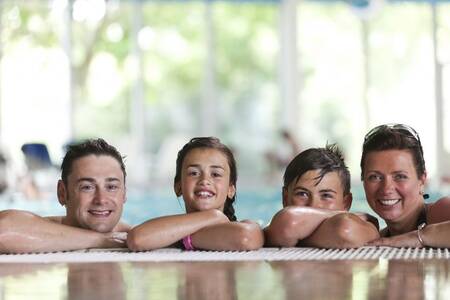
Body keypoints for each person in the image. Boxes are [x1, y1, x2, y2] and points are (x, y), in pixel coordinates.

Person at [127, 137, 264, 251]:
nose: (204, 180)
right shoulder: (164, 225)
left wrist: (180, 239)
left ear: (231, 189)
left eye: (215, 174)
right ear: (178, 187)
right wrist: (212, 216)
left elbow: (246, 237)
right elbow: (137, 239)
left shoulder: (243, 225)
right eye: (194, 173)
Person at [0, 138, 130, 253]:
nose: (101, 199)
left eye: (112, 187)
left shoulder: (134, 236)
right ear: (62, 193)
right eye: (87, 187)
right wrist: (103, 240)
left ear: (124, 193)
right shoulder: (40, 227)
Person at [265, 144, 379, 248]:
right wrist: (339, 214)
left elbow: (345, 230)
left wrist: (299, 236)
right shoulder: (268, 231)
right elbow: (286, 224)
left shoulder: (365, 227)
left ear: (346, 203)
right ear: (285, 198)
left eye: (326, 195)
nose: (313, 205)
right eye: (302, 194)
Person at [361, 124, 450, 248]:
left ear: (421, 180)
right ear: (363, 181)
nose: (386, 188)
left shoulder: (440, 212)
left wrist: (419, 237)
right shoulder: (382, 238)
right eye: (375, 177)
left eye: (400, 176)